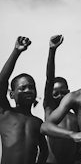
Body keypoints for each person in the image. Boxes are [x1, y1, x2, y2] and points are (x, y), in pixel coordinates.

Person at [0, 36, 48, 164]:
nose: (28, 90)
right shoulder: (5, 113)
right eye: (22, 88)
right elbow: (2, 82)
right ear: (11, 94)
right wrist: (16, 51)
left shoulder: (38, 122)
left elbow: (44, 151)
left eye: (31, 87)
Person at [44, 35, 78, 164]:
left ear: (69, 93)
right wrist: (52, 51)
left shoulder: (75, 117)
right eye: (55, 94)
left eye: (63, 93)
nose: (60, 96)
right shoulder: (50, 110)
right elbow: (49, 80)